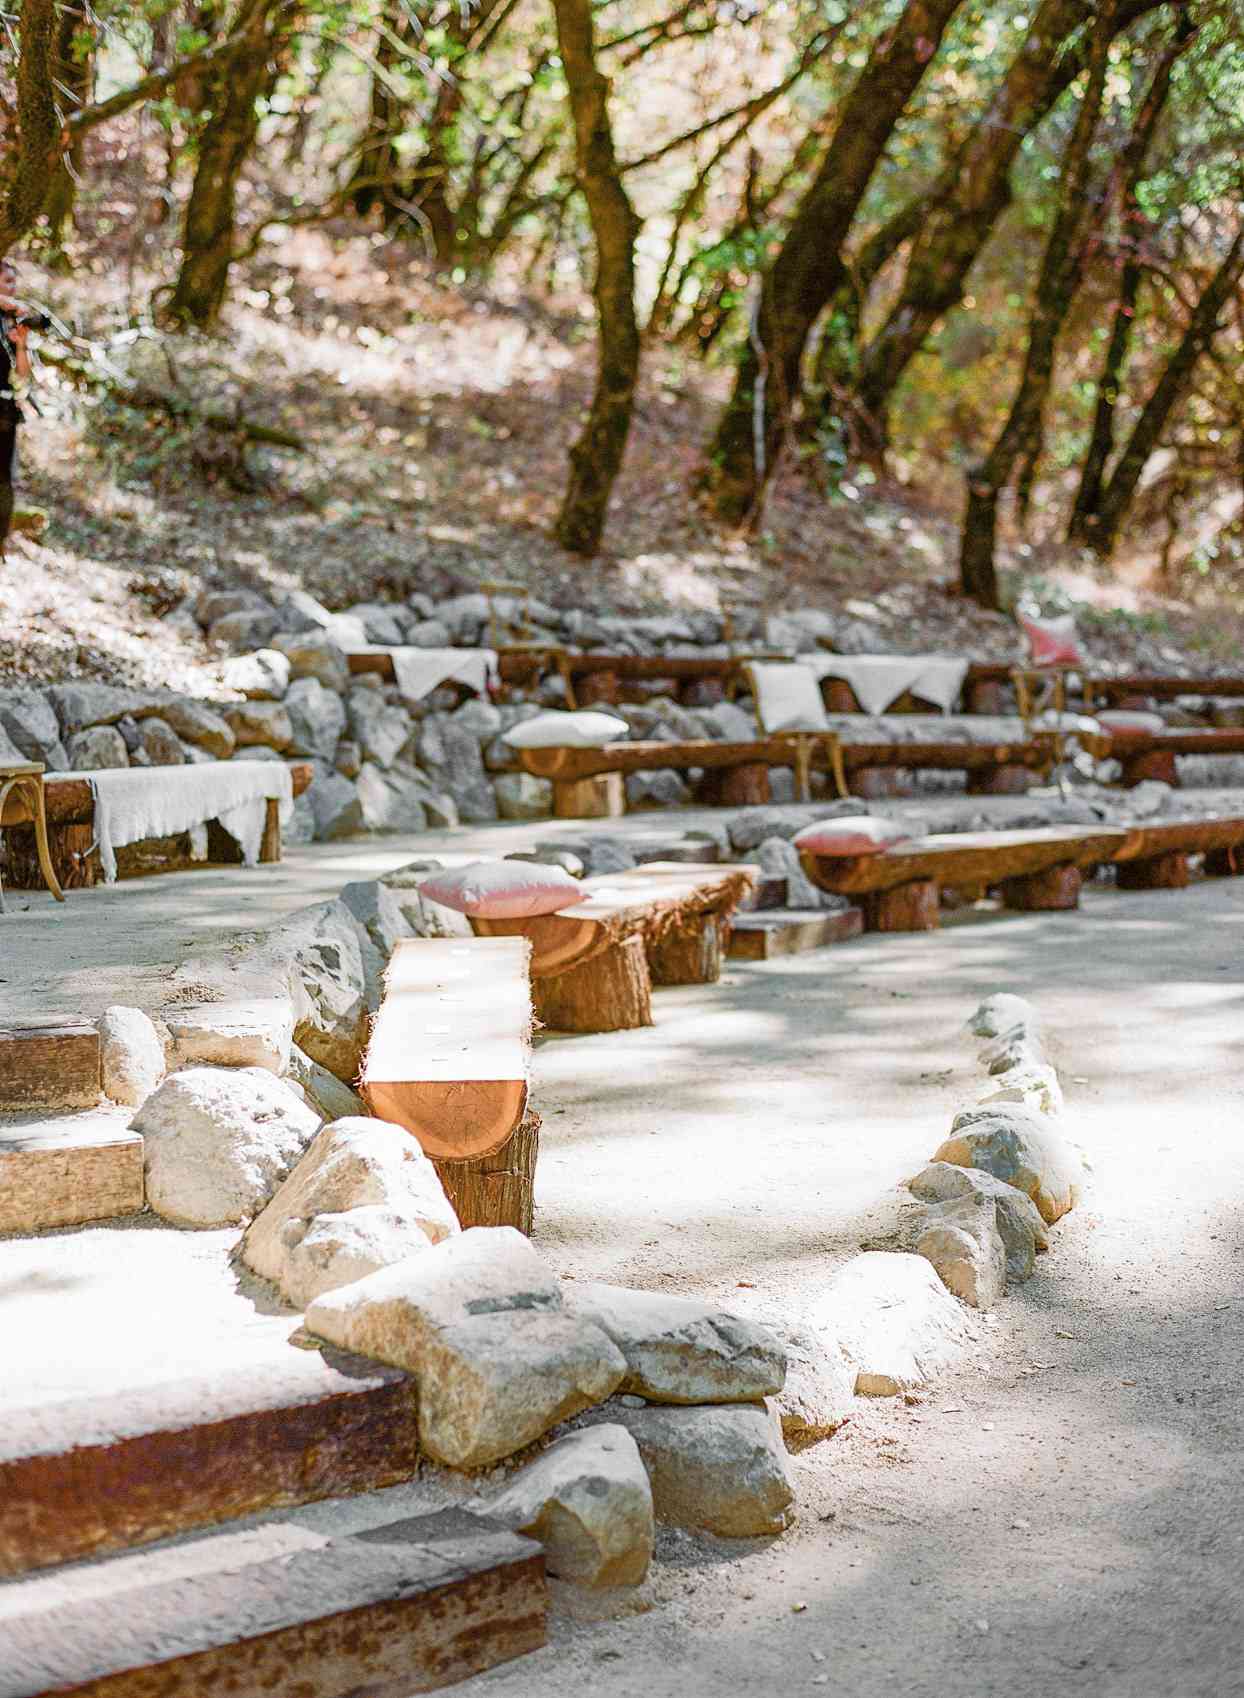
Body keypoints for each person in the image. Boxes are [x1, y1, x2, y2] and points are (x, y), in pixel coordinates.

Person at [0, 258, 34, 560]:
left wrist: (21, 345)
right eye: (8, 282)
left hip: (5, 408)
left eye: (15, 282)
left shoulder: (12, 322)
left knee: (5, 480)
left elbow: (23, 374)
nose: (14, 289)